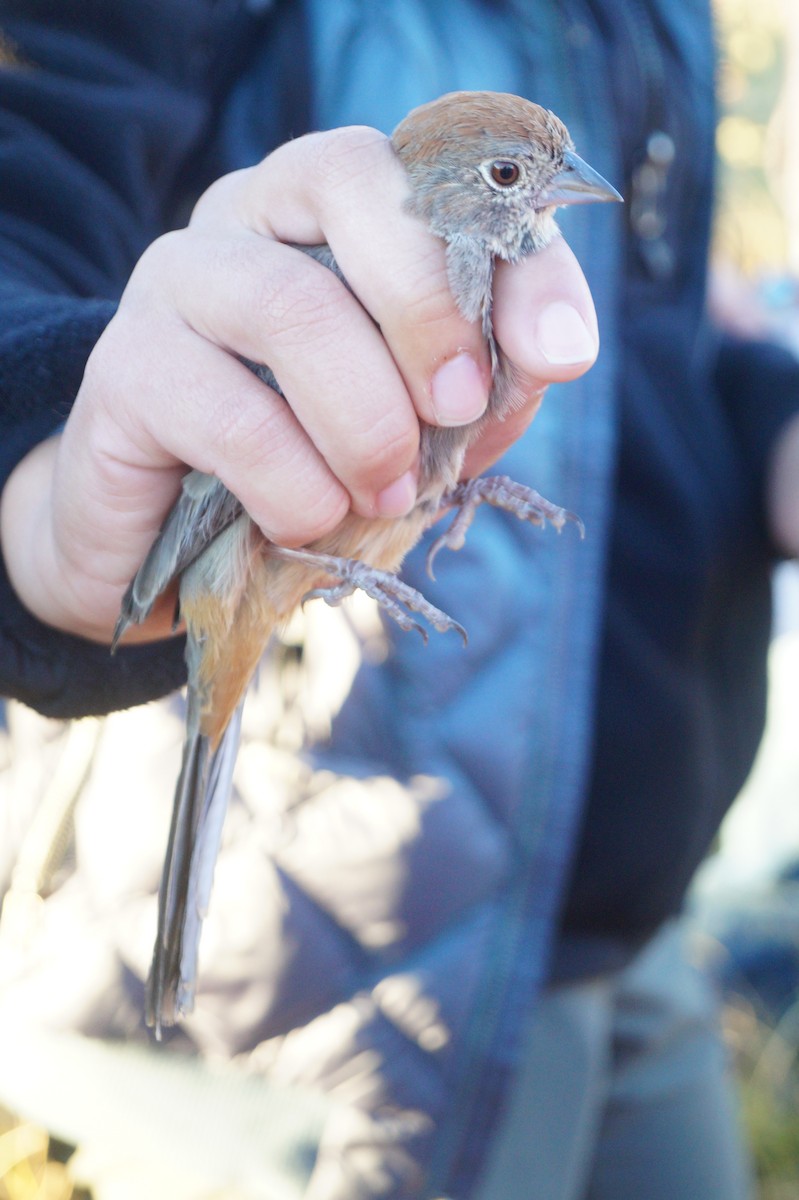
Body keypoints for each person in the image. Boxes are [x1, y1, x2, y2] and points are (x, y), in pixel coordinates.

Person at [1, 2, 798, 1198]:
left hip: (632, 920)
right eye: (515, 176)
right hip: (369, 972)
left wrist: (771, 424)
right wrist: (46, 467)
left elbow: (668, 342)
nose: (562, 187)